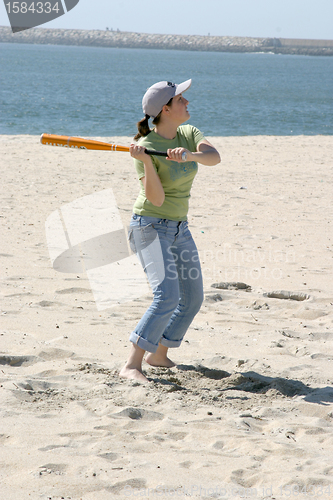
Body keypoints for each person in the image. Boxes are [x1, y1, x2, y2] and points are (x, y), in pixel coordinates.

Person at [119, 79, 220, 383]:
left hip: (179, 228)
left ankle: (158, 353)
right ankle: (132, 364)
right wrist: (147, 162)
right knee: (166, 297)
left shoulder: (188, 134)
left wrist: (189, 155)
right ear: (165, 108)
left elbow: (214, 157)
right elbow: (157, 199)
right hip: (149, 227)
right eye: (181, 100)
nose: (187, 103)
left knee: (192, 298)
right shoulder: (146, 147)